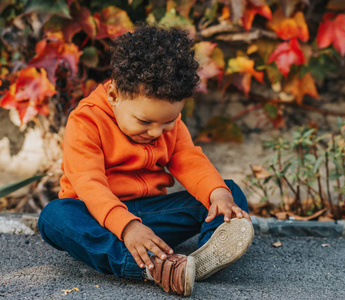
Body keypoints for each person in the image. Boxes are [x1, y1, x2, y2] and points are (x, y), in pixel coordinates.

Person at [38, 23, 253, 297]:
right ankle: (148, 267)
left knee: (227, 190)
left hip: (152, 219)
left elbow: (188, 158)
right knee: (54, 217)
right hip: (100, 219)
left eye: (169, 121)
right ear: (114, 96)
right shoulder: (86, 121)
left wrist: (217, 193)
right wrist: (127, 227)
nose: (156, 132)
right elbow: (89, 184)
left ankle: (201, 259)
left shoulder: (165, 121)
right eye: (144, 121)